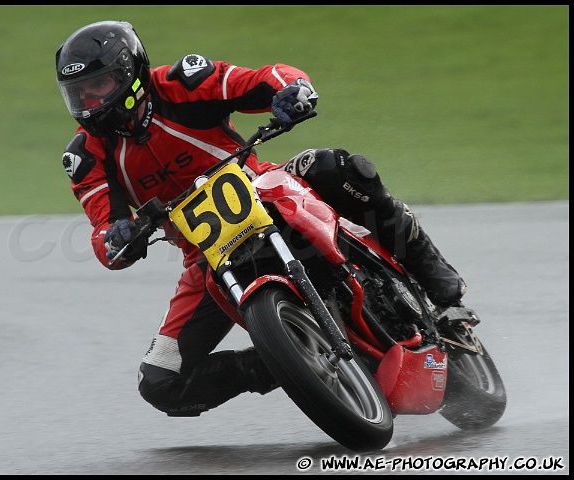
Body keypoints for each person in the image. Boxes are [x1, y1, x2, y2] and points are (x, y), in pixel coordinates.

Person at [55, 21, 466, 417]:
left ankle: (437, 279)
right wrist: (116, 239)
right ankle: (289, 358)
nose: (89, 102)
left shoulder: (182, 82)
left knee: (342, 168)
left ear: (131, 75)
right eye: (79, 93)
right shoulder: (86, 156)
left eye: (99, 86)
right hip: (207, 255)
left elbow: (261, 78)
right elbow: (104, 232)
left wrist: (292, 90)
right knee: (161, 383)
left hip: (266, 187)